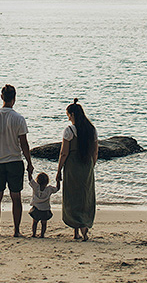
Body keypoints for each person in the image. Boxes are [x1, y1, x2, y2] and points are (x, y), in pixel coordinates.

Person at [0, 84, 34, 237]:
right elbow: (24, 144)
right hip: (14, 161)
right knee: (16, 196)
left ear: (1, 97)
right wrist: (29, 163)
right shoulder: (18, 118)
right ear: (14, 99)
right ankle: (16, 230)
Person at [56, 98, 98, 240]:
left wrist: (59, 170)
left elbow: (64, 153)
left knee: (72, 196)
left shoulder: (69, 131)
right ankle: (84, 226)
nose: (67, 118)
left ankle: (76, 231)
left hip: (72, 166)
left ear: (72, 114)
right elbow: (95, 152)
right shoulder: (92, 129)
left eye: (68, 115)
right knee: (85, 196)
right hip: (87, 165)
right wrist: (91, 165)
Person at [28, 172, 60, 238]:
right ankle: (42, 234)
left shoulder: (36, 187)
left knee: (35, 222)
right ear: (47, 181)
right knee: (44, 223)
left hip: (36, 208)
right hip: (45, 209)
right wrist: (58, 180)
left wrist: (29, 172)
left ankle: (34, 234)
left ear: (37, 180)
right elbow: (57, 188)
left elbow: (30, 180)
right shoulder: (49, 189)